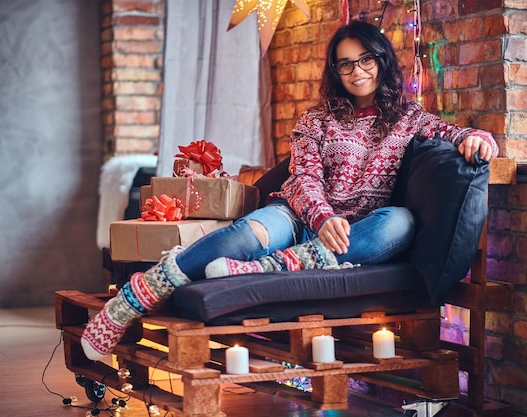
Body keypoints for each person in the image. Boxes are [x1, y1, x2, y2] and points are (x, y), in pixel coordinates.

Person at [81, 20, 498, 361]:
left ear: (382, 60)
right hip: (298, 218)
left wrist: (479, 138)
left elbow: (452, 132)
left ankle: (269, 268)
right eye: (345, 65)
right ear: (335, 72)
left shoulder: (409, 117)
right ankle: (135, 296)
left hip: (354, 233)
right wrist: (322, 216)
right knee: (244, 235)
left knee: (400, 222)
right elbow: (303, 179)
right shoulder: (315, 120)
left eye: (365, 60)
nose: (357, 72)